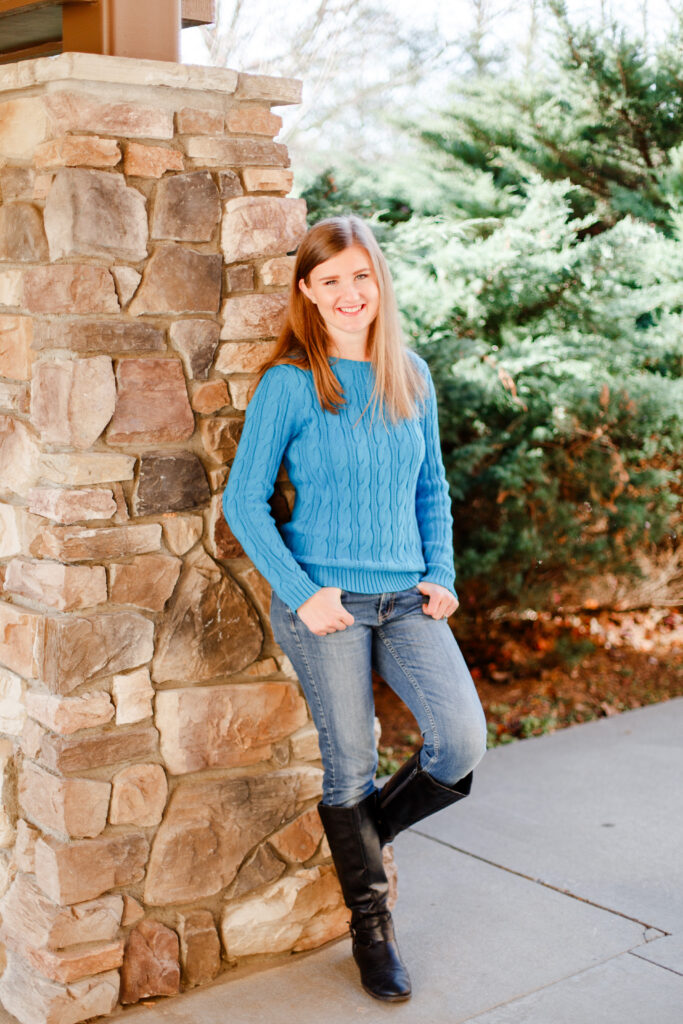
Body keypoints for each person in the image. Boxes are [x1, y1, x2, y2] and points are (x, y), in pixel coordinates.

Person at [223, 215, 487, 1003]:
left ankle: (358, 835)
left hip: (407, 598)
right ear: (307, 290)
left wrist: (440, 571)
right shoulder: (292, 382)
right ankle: (371, 928)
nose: (348, 293)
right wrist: (304, 596)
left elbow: (429, 489)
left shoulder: (410, 371)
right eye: (329, 280)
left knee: (461, 741)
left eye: (360, 276)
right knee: (350, 765)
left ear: (379, 282)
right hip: (328, 603)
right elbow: (243, 501)